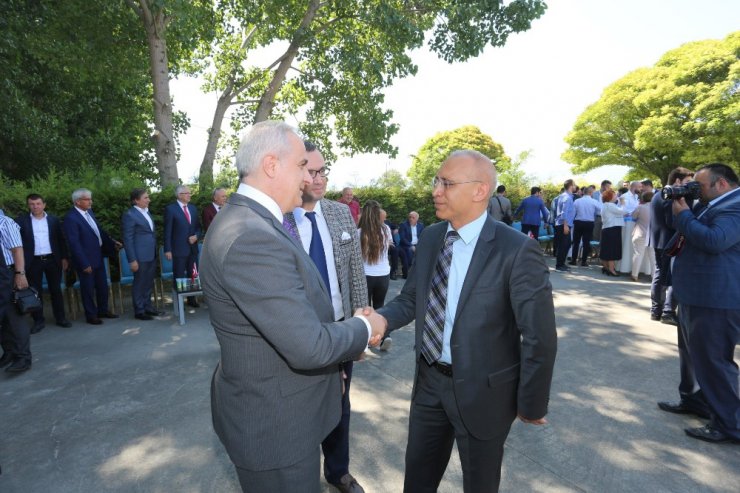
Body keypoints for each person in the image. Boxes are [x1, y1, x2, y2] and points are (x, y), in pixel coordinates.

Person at [200, 121, 385, 493]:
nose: (307, 178)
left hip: (282, 413)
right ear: (272, 165)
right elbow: (308, 345)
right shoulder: (252, 235)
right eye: (302, 165)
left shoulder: (255, 222)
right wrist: (367, 326)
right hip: (276, 428)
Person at [376, 149, 557, 493]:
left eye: (446, 183)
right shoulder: (431, 237)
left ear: (480, 191)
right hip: (429, 382)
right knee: (417, 479)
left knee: (480, 484)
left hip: (484, 392)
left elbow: (539, 335)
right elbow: (412, 298)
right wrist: (380, 321)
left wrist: (532, 402)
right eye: (436, 181)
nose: (435, 190)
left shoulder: (516, 249)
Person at [284, 140, 369, 493]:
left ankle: (338, 473)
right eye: (311, 171)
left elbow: (355, 272)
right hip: (295, 332)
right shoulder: (278, 217)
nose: (319, 179)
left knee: (339, 405)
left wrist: (362, 326)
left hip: (339, 329)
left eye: (323, 171)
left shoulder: (338, 213)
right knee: (297, 411)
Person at [671, 163, 740, 444]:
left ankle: (728, 425)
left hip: (715, 299)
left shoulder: (735, 206)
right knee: (694, 356)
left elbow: (715, 240)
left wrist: (685, 214)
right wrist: (681, 203)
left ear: (721, 184)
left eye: (698, 185)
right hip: (696, 294)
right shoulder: (713, 203)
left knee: (713, 361)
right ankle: (697, 401)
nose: (695, 189)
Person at [62, 188, 120, 325]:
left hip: (98, 255)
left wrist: (112, 242)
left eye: (90, 198)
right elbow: (74, 243)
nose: (90, 201)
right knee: (87, 288)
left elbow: (98, 231)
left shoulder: (89, 213)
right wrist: (84, 263)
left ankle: (103, 310)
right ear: (77, 202)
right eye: (87, 199)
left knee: (102, 286)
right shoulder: (71, 218)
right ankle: (91, 315)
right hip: (86, 260)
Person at [16, 193, 72, 331]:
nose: (35, 207)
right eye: (32, 204)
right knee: (36, 292)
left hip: (53, 260)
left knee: (56, 290)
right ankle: (38, 321)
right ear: (28, 205)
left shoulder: (53, 220)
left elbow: (61, 240)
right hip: (33, 261)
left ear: (44, 205)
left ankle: (61, 318)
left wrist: (64, 258)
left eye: (38, 204)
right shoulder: (21, 221)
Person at [649, 167, 694, 326]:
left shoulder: (658, 194)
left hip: (659, 241)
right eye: (688, 182)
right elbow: (672, 222)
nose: (690, 185)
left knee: (660, 274)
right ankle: (667, 311)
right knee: (673, 276)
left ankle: (657, 310)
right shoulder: (672, 195)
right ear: (677, 181)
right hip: (671, 242)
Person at [121, 188, 165, 321]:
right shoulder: (130, 215)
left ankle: (148, 307)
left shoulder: (147, 212)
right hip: (139, 256)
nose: (149, 200)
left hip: (151, 254)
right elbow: (127, 239)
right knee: (140, 283)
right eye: (145, 198)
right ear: (136, 200)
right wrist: (132, 260)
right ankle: (139, 310)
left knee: (148, 282)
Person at [358, 200, 393, 353]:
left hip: (365, 275)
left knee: (365, 310)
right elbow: (389, 246)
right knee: (380, 307)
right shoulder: (386, 229)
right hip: (383, 274)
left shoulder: (359, 232)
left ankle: (364, 342)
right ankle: (384, 337)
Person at [0, 210, 33, 373]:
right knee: (3, 318)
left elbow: (17, 250)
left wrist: (20, 274)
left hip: (7, 273)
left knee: (14, 317)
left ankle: (23, 357)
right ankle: (9, 352)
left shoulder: (6, 223)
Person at [164, 185, 201, 308]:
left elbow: (198, 228)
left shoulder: (193, 208)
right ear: (179, 195)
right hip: (179, 249)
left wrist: (196, 236)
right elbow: (167, 231)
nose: (190, 195)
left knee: (193, 275)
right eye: (187, 193)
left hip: (193, 249)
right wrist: (167, 249)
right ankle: (179, 303)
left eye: (190, 193)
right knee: (179, 276)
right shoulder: (171, 209)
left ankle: (192, 299)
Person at [569, 185, 600, 266]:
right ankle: (584, 261)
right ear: (590, 193)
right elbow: (599, 211)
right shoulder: (594, 201)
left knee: (576, 242)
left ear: (583, 192)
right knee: (586, 242)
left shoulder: (577, 201)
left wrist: (571, 223)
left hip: (578, 222)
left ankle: (573, 260)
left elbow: (573, 213)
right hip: (589, 223)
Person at [598, 189, 625, 277]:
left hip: (607, 229)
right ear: (610, 197)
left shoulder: (605, 205)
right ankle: (611, 269)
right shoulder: (610, 205)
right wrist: (623, 203)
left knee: (606, 249)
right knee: (612, 250)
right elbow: (622, 211)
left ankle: (606, 267)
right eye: (614, 195)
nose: (616, 196)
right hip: (612, 229)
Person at [629, 191, 654, 281]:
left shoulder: (640, 207)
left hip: (640, 233)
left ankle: (634, 275)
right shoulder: (657, 208)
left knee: (638, 254)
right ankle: (654, 276)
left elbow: (633, 216)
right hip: (653, 235)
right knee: (653, 256)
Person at [553, 179, 576, 272]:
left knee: (565, 245)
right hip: (564, 224)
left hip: (561, 224)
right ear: (570, 186)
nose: (575, 186)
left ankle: (561, 263)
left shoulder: (563, 196)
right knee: (564, 245)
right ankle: (559, 266)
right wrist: (565, 225)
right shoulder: (567, 198)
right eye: (574, 185)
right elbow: (564, 213)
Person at [398, 211, 424, 278]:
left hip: (417, 245)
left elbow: (422, 237)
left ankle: (420, 273)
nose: (411, 219)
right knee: (410, 250)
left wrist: (419, 246)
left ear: (417, 219)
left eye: (413, 217)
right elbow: (402, 238)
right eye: (410, 217)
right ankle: (409, 269)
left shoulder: (420, 226)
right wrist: (411, 245)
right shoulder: (403, 225)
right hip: (406, 245)